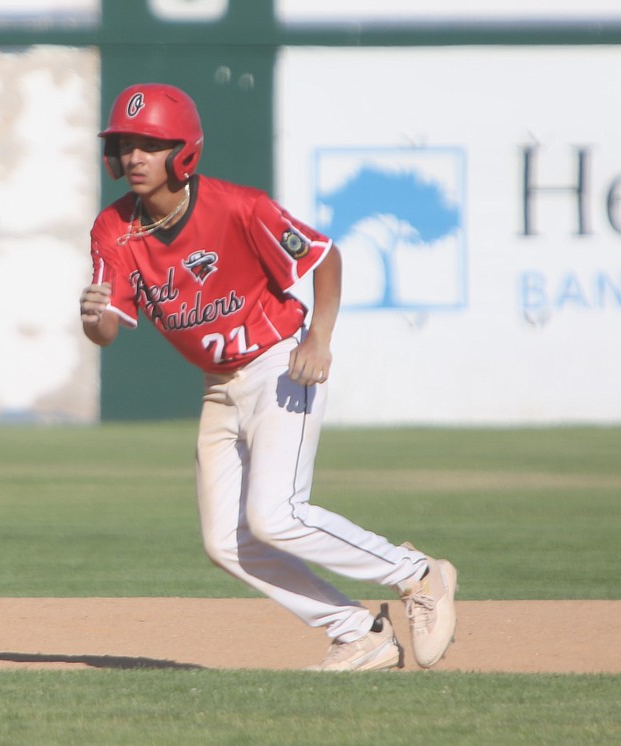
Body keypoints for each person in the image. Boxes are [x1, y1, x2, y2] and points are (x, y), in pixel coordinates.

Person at [79, 83, 458, 671]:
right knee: (225, 542)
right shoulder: (114, 228)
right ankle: (360, 632)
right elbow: (108, 329)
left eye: (149, 145)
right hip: (219, 384)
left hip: (279, 363)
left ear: (184, 151)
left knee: (276, 514)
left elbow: (324, 255)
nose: (133, 157)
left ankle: (420, 575)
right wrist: (96, 318)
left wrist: (320, 337)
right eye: (125, 144)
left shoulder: (236, 206)